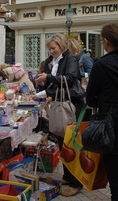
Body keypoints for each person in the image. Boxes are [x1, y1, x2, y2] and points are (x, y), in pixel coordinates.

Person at [35, 34, 83, 197]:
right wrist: (44, 82)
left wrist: (48, 77)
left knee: (71, 145)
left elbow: (70, 79)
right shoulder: (51, 61)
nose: (51, 51)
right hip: (58, 104)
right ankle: (68, 177)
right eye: (49, 48)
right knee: (62, 143)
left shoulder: (70, 59)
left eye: (54, 48)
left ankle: (77, 183)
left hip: (70, 105)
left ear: (62, 46)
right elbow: (53, 82)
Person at [86, 23, 118, 201]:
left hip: (112, 129)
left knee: (116, 181)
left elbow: (90, 100)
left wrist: (105, 102)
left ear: (105, 41)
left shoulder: (101, 65)